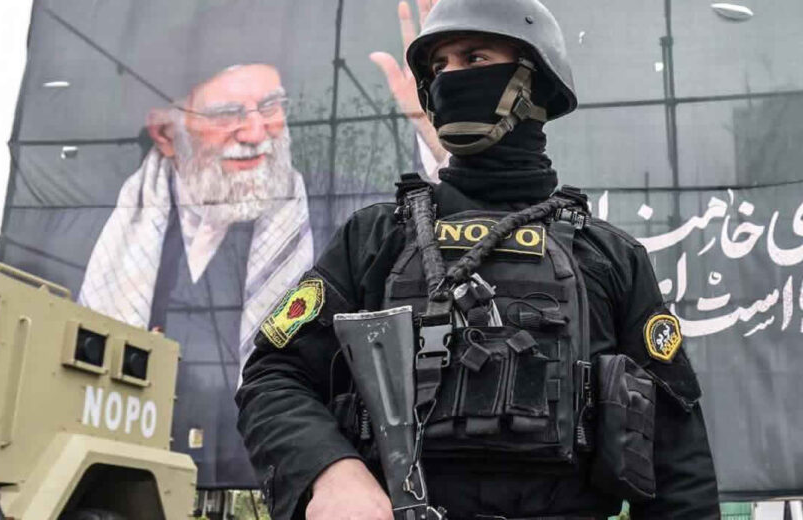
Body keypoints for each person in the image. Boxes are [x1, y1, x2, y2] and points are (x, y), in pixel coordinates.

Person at [236, 0, 720, 518]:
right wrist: (331, 471)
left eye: (474, 58)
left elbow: (679, 470)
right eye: (438, 66)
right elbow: (272, 375)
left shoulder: (607, 258)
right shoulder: (376, 239)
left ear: (535, 81)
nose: (450, 77)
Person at [80, 63, 313, 487]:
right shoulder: (90, 228)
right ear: (166, 135)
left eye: (270, 106)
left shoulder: (339, 210)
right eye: (227, 114)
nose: (255, 132)